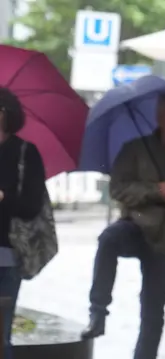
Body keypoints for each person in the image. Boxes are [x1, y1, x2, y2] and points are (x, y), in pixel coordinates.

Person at [81, 91, 165, 359]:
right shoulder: (135, 149)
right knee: (108, 239)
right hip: (136, 227)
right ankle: (98, 312)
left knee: (153, 314)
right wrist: (155, 191)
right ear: (160, 117)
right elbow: (119, 188)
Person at [0, 88, 46, 359]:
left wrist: (3, 197)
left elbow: (31, 206)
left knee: (1, 337)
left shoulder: (25, 153)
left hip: (7, 257)